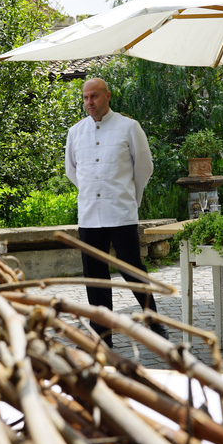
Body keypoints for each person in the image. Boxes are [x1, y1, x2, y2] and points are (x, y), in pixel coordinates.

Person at [65, 78, 169, 347]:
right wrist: (92, 191)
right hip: (89, 214)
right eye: (86, 98)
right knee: (94, 275)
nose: (89, 102)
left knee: (132, 269)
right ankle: (101, 333)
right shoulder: (75, 132)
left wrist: (127, 198)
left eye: (95, 97)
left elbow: (143, 168)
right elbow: (72, 171)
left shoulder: (129, 127)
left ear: (108, 96)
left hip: (121, 212)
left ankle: (153, 320)